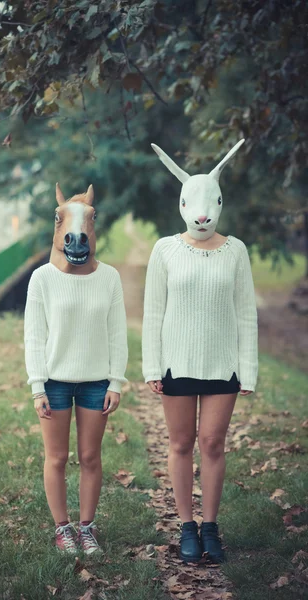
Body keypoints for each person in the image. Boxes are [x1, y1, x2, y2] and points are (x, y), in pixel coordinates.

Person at [142, 139, 258, 563]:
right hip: (176, 364)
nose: (203, 214)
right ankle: (186, 526)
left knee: (212, 444)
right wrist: (152, 365)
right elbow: (153, 312)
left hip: (222, 364)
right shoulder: (165, 250)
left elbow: (246, 313)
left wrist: (249, 370)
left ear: (220, 202)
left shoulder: (236, 251)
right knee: (181, 444)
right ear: (183, 202)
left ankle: (210, 527)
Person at [24, 183, 128, 554]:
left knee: (89, 457)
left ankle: (87, 528)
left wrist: (116, 381)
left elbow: (117, 334)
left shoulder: (110, 278)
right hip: (54, 382)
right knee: (56, 457)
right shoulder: (42, 279)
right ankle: (62, 528)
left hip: (96, 381)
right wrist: (37, 386)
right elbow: (34, 338)